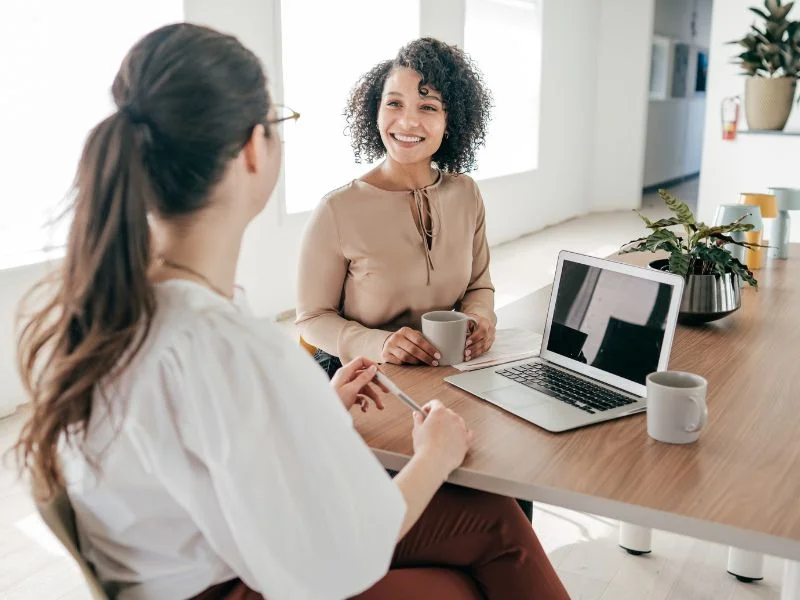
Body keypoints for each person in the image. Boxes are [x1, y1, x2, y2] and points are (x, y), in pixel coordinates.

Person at [14, 24, 568, 600]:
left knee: (495, 524)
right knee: (483, 557)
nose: (408, 120)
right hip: (244, 581)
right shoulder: (230, 342)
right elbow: (339, 556)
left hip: (211, 560)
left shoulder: (114, 308)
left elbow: (212, 448)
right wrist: (436, 454)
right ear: (255, 147)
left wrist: (317, 412)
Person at [296, 37, 497, 379]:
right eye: (394, 104)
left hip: (440, 370)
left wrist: (481, 319)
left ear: (452, 121)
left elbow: (479, 286)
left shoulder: (466, 193)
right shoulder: (337, 209)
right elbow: (312, 319)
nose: (406, 122)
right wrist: (380, 344)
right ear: (375, 111)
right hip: (357, 377)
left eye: (428, 107)